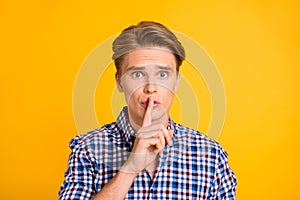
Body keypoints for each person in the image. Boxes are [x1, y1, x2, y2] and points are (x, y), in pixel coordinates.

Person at [58, 21, 237, 199]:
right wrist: (131, 167)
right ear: (119, 82)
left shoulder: (211, 156)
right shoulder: (88, 149)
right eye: (137, 74)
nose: (151, 87)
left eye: (162, 74)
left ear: (176, 82)